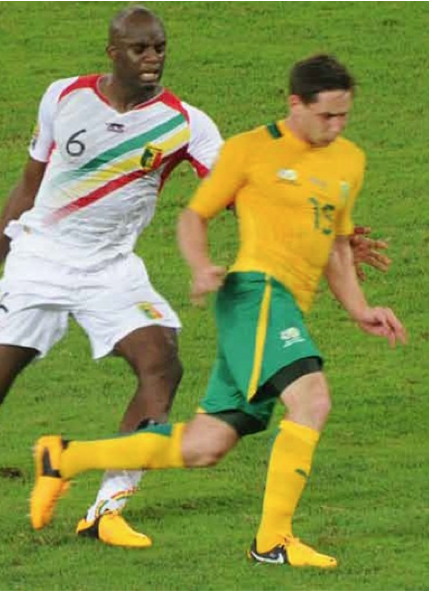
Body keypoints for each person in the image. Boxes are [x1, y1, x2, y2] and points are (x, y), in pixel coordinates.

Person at [0, 6, 389, 549]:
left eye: (159, 47)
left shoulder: (186, 123)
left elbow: (243, 187)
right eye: (140, 49)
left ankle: (109, 507)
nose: (153, 57)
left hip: (111, 268)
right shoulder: (63, 97)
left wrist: (326, 232)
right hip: (39, 262)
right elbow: (27, 186)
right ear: (113, 51)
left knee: (162, 363)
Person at [27, 53, 407, 569]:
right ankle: (273, 542)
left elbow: (337, 246)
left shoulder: (349, 160)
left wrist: (360, 309)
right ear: (295, 103)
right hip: (253, 294)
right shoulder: (250, 150)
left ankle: (65, 457)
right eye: (326, 116)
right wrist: (202, 265)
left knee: (206, 445)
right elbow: (194, 216)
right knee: (312, 402)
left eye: (344, 116)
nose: (336, 127)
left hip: (285, 306)